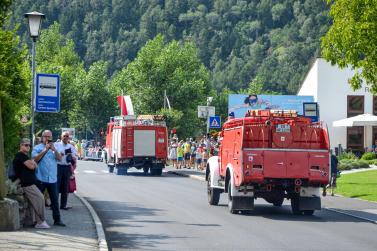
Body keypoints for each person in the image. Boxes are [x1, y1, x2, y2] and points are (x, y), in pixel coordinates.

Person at [13, 138, 50, 229]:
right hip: (27, 184)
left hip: (29, 183)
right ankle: (40, 221)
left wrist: (33, 163)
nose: (28, 147)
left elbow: (34, 165)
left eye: (29, 145)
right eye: (25, 145)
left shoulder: (25, 156)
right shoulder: (20, 155)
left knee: (33, 202)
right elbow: (31, 166)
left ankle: (33, 221)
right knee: (40, 198)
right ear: (21, 145)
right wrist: (33, 163)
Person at [32, 130, 66, 227]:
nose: (47, 138)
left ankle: (57, 219)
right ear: (42, 137)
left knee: (55, 200)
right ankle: (38, 220)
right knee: (39, 200)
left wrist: (54, 149)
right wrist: (45, 150)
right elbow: (35, 159)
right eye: (45, 136)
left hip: (52, 179)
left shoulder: (54, 148)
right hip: (40, 178)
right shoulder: (37, 148)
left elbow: (59, 158)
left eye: (49, 136)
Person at [55, 131, 77, 210]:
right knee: (56, 186)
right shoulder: (56, 145)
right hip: (58, 166)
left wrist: (71, 156)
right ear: (61, 137)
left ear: (69, 138)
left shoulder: (71, 147)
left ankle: (63, 205)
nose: (65, 137)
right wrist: (59, 154)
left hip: (67, 167)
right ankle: (54, 204)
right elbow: (53, 154)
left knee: (65, 187)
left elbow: (74, 157)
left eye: (67, 136)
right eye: (64, 136)